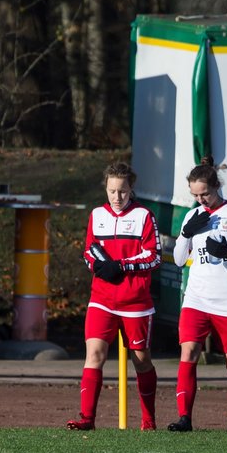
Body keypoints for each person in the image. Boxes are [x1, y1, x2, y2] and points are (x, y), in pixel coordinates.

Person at [67, 161, 162, 431]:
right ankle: (87, 419)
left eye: (122, 191)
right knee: (94, 355)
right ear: (105, 189)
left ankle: (148, 421)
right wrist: (97, 265)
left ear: (131, 189)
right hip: (102, 299)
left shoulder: (144, 215)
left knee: (141, 361)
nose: (117, 197)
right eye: (111, 191)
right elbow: (88, 251)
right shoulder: (97, 214)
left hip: (135, 303)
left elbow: (154, 257)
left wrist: (122, 265)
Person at [168, 156, 227, 431]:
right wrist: (185, 234)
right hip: (196, 297)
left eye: (204, 193)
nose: (201, 200)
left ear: (216, 186)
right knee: (189, 353)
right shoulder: (193, 215)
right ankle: (185, 418)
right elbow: (180, 259)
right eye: (195, 195)